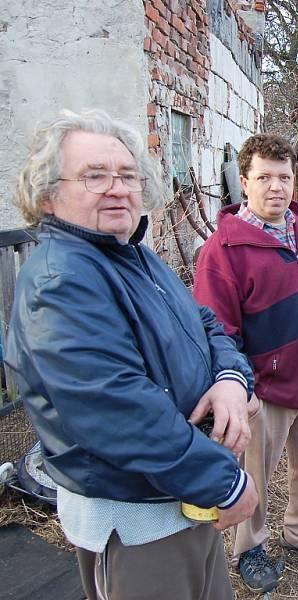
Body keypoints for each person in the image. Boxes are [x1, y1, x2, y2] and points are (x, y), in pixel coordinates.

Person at [3, 109, 259, 600]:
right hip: (135, 523)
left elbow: (204, 324)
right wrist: (223, 482)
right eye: (94, 176)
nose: (117, 188)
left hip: (183, 498)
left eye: (127, 175)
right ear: (48, 194)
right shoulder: (63, 282)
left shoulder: (133, 255)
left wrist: (230, 377)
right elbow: (116, 410)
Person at [193, 133, 298, 593]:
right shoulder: (222, 253)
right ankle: (250, 548)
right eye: (264, 177)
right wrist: (241, 389)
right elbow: (216, 332)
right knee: (253, 475)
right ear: (244, 183)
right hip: (264, 388)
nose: (275, 187)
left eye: (284, 177)